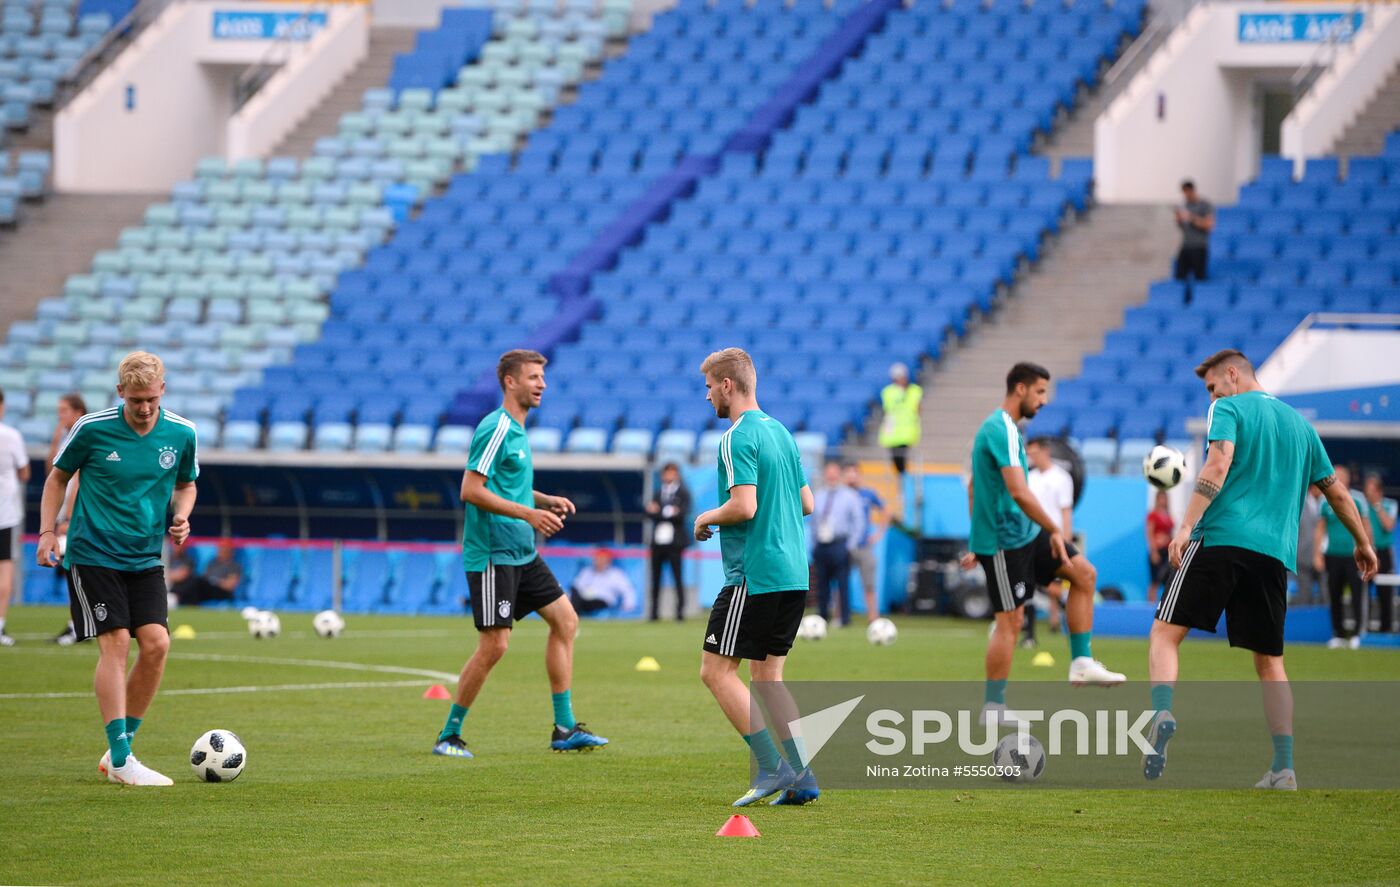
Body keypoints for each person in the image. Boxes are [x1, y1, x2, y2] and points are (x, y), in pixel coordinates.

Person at [1148, 349, 1377, 790]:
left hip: (1220, 539)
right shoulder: (1302, 427)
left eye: (1212, 386)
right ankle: (1284, 768)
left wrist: (1185, 525)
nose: (1211, 395)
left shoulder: (1227, 408)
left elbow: (1219, 462)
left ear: (1232, 375)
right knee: (1271, 663)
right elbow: (1338, 494)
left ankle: (1160, 715)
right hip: (1273, 554)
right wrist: (1363, 544)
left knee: (1164, 633)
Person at [432, 349, 607, 759]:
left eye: (542, 377)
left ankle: (564, 728)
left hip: (522, 553)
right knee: (495, 646)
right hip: (494, 554)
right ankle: (449, 734)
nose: (541, 384)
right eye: (533, 377)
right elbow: (471, 490)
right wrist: (530, 513)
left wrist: (544, 499)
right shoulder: (496, 427)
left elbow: (506, 488)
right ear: (510, 382)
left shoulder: (518, 431)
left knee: (566, 620)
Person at [35, 351, 199, 786]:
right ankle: (124, 759)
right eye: (135, 400)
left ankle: (117, 749)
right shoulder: (91, 429)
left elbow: (186, 483)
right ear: (120, 392)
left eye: (150, 399)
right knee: (116, 645)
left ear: (162, 390)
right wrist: (48, 532)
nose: (144, 408)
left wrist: (181, 515)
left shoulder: (182, 434)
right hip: (94, 554)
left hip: (145, 556)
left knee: (157, 645)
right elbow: (57, 478)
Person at [963, 362, 1124, 727]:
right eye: (1040, 392)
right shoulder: (999, 428)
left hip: (1022, 533)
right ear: (1020, 389)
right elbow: (1019, 492)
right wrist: (1052, 528)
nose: (1044, 400)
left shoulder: (1010, 431)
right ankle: (993, 707)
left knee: (1083, 574)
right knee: (1011, 621)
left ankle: (1081, 662)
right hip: (1004, 542)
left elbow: (975, 486)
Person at [694, 347, 818, 807]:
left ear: (727, 385)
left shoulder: (735, 437)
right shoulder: (782, 433)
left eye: (709, 387)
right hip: (793, 573)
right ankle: (803, 776)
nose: (707, 397)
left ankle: (771, 767)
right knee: (769, 679)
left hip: (754, 574)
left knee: (716, 671)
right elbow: (806, 503)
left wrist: (705, 516)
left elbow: (744, 507)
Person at [1313, 465, 1373, 648]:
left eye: (1341, 476)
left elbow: (1366, 526)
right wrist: (1317, 554)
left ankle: (1356, 634)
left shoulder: (1358, 499)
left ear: (1347, 479)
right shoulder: (1324, 501)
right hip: (1333, 554)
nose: (1337, 478)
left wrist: (1368, 549)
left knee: (1356, 594)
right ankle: (1338, 633)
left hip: (1353, 555)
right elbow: (1320, 529)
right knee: (1334, 593)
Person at [1023, 438, 1075, 647]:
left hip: (1053, 538)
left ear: (1045, 451)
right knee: (1027, 585)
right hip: (1029, 537)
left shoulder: (1062, 478)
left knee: (1055, 587)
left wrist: (1066, 540)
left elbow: (1065, 511)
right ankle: (1029, 635)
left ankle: (1067, 620)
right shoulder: (1029, 477)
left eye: (1034, 452)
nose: (1031, 457)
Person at [809, 460, 866, 627]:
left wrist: (850, 545)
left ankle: (845, 618)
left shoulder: (850, 496)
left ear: (839, 475)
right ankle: (822, 617)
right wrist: (815, 543)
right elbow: (814, 522)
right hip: (822, 545)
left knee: (843, 583)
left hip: (840, 544)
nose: (831, 476)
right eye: (829, 473)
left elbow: (858, 522)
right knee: (822, 583)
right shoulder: (819, 495)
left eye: (834, 473)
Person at [49, 393, 86, 646]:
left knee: (77, 571)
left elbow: (80, 479)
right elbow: (51, 471)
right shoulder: (68, 438)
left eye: (64, 411)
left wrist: (69, 517)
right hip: (68, 515)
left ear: (78, 411)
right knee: (73, 571)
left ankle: (78, 625)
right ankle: (77, 623)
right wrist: (56, 434)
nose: (60, 416)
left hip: (79, 517)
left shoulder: (86, 436)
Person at [0, 388, 30, 647]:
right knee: (5, 568)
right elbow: (24, 473)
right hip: (5, 513)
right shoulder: (11, 436)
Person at [645, 461, 691, 621]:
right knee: (655, 578)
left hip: (675, 542)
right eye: (666, 473)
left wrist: (661, 511)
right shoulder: (658, 493)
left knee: (677, 577)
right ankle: (654, 612)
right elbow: (650, 512)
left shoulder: (683, 493)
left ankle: (680, 612)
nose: (668, 476)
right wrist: (668, 512)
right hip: (658, 541)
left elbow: (682, 514)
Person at [843, 463, 886, 623]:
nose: (851, 477)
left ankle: (873, 616)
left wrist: (878, 534)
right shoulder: (840, 495)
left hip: (863, 546)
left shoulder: (867, 494)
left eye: (854, 473)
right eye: (848, 473)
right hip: (844, 546)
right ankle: (839, 615)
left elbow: (885, 510)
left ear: (859, 475)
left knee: (868, 582)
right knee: (841, 582)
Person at [1364, 474, 1396, 633]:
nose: (1368, 494)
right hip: (1368, 550)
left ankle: (1386, 627)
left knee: (1385, 592)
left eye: (1371, 490)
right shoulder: (1363, 506)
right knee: (1364, 590)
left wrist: (1377, 506)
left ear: (1379, 491)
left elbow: (1388, 526)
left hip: (1384, 552)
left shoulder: (1390, 505)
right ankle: (1365, 626)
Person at [1174, 179, 1214, 303]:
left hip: (1199, 246)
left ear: (1192, 191)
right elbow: (1182, 226)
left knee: (1200, 278)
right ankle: (1181, 301)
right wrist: (1179, 219)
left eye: (1187, 192)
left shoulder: (1204, 205)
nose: (1185, 195)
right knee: (1179, 276)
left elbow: (1209, 225)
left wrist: (1191, 218)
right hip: (1186, 245)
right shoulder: (1184, 206)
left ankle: (1199, 302)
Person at [878, 362, 922, 477]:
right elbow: (888, 410)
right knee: (896, 458)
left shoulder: (914, 391)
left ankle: (904, 479)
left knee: (902, 456)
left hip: (907, 430)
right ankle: (903, 479)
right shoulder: (888, 392)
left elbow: (917, 409)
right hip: (893, 431)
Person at [168, 539, 240, 607]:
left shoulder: (234, 566)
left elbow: (231, 585)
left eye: (225, 549)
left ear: (230, 551)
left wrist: (216, 582)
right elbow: (206, 577)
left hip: (221, 591)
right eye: (220, 549)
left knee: (195, 581)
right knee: (195, 582)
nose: (221, 551)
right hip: (209, 589)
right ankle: (176, 598)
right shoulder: (212, 563)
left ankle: (176, 598)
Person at [569, 549, 636, 616]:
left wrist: (628, 605)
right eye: (597, 559)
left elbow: (627, 590)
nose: (599, 561)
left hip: (603, 601)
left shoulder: (616, 574)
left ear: (608, 561)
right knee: (575, 594)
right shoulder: (587, 571)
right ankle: (571, 616)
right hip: (584, 599)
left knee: (590, 603)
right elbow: (576, 587)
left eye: (602, 559)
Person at [1293, 487, 1323, 606]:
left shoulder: (1326, 503)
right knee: (1304, 594)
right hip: (1302, 555)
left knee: (1326, 594)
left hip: (1323, 557)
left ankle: (1325, 623)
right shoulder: (1298, 503)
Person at [1146, 491, 1175, 603]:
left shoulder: (1168, 515)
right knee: (1155, 580)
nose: (1163, 501)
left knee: (1167, 579)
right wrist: (1153, 551)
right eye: (1160, 498)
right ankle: (1150, 604)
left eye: (1164, 498)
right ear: (1157, 499)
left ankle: (1163, 604)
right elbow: (1149, 533)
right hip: (1157, 551)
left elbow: (1170, 533)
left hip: (1167, 551)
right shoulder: (1153, 515)